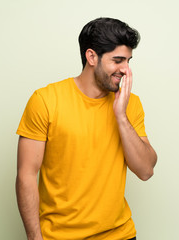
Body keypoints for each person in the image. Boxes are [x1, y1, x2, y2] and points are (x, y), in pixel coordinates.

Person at [15, 17, 157, 240]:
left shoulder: (131, 104)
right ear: (91, 57)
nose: (126, 70)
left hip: (120, 235)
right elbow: (26, 175)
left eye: (129, 61)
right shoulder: (45, 100)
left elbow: (146, 170)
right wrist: (34, 237)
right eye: (118, 60)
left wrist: (120, 116)